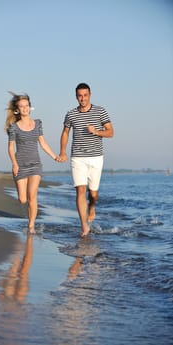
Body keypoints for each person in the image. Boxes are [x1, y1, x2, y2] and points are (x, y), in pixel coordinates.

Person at [59, 83, 114, 237]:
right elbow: (65, 133)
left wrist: (96, 131)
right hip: (78, 157)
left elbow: (111, 133)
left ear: (90, 95)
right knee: (80, 190)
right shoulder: (71, 114)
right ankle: (84, 226)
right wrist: (63, 152)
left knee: (94, 194)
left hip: (96, 157)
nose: (82, 98)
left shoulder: (100, 111)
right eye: (79, 95)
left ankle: (92, 206)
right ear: (76, 96)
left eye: (85, 95)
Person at [5, 92, 60, 233]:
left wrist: (55, 156)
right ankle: (30, 222)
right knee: (23, 199)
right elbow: (11, 147)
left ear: (30, 107)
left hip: (36, 165)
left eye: (26, 105)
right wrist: (14, 164)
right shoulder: (14, 127)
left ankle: (31, 226)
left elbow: (43, 143)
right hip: (20, 165)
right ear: (17, 110)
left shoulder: (38, 124)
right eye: (21, 106)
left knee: (32, 196)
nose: (25, 108)